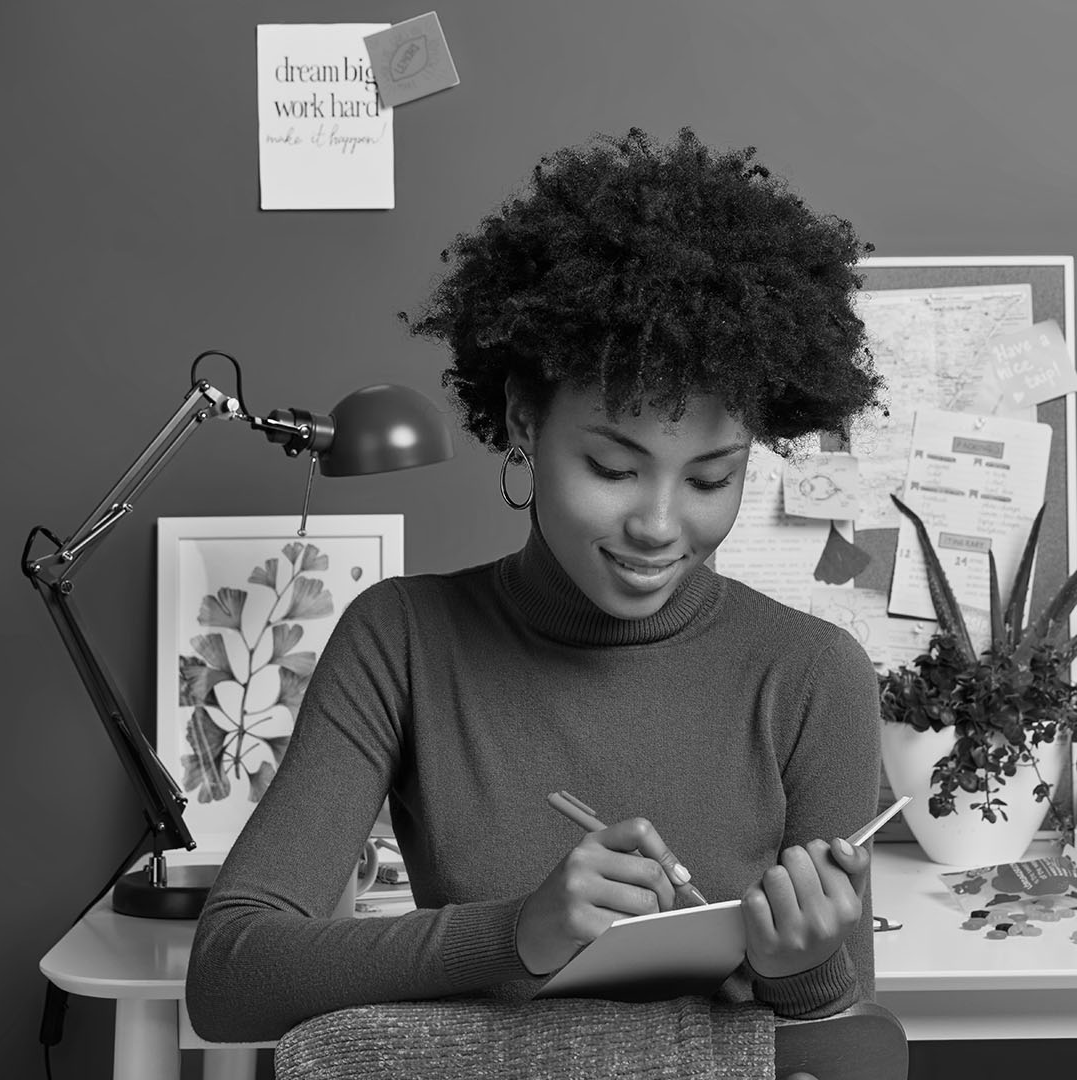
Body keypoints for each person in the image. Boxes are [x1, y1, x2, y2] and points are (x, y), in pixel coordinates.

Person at [186, 127, 887, 1045]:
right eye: (612, 466)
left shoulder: (812, 674)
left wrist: (800, 964)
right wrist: (515, 933)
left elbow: (837, 1027)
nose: (661, 525)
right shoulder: (402, 640)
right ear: (523, 420)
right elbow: (231, 977)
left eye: (713, 479)